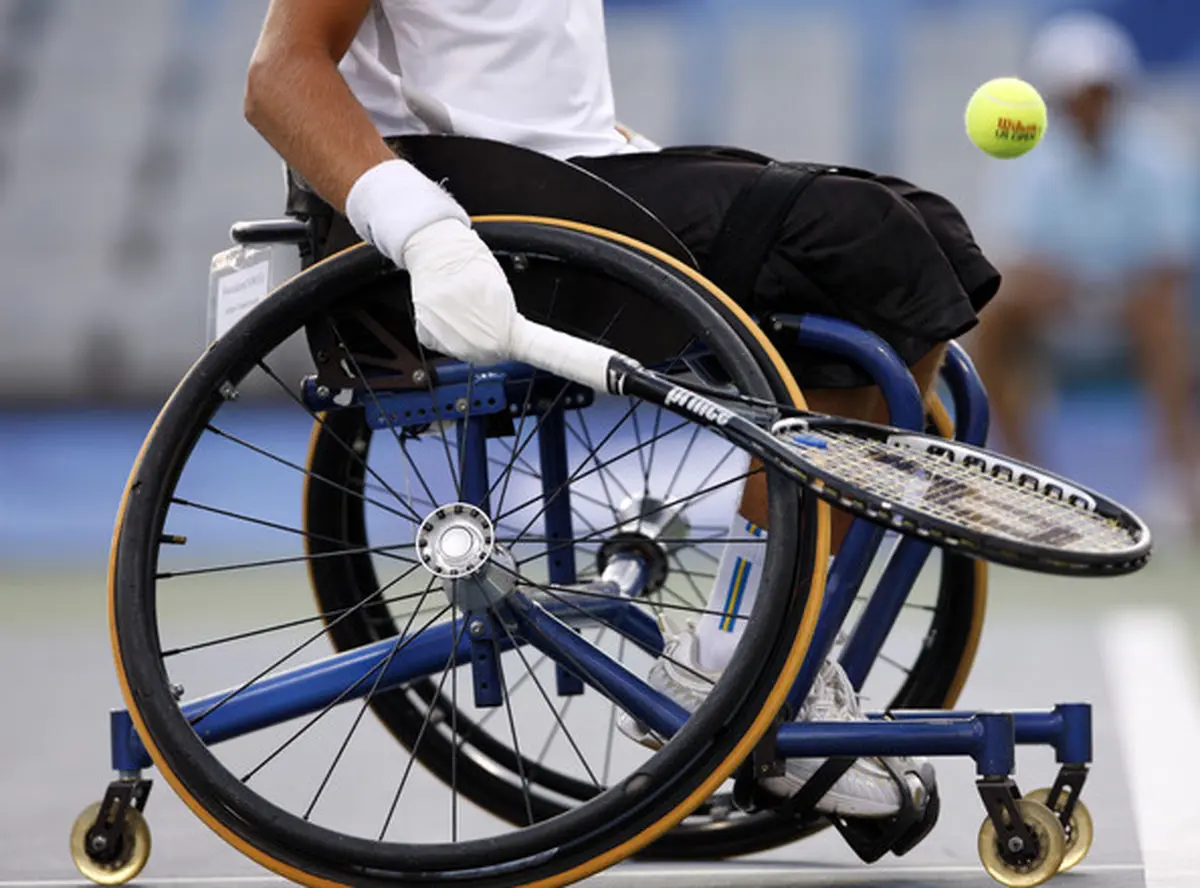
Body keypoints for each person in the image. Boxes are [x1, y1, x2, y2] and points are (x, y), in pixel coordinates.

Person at [244, 0, 1000, 817]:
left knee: (925, 237)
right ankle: (747, 654)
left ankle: (754, 645)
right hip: (476, 215)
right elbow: (278, 77)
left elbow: (518, 94)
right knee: (873, 244)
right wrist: (423, 229)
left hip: (563, 178)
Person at [971, 12, 1199, 535]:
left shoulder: (1161, 155)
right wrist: (1067, 291)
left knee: (1161, 315)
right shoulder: (1025, 162)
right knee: (995, 317)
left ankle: (1174, 481)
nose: (1091, 104)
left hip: (1134, 319)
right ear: (1058, 98)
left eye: (1100, 90)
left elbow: (1169, 269)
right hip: (1059, 319)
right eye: (1079, 92)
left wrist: (1101, 293)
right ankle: (1030, 483)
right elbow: (1015, 266)